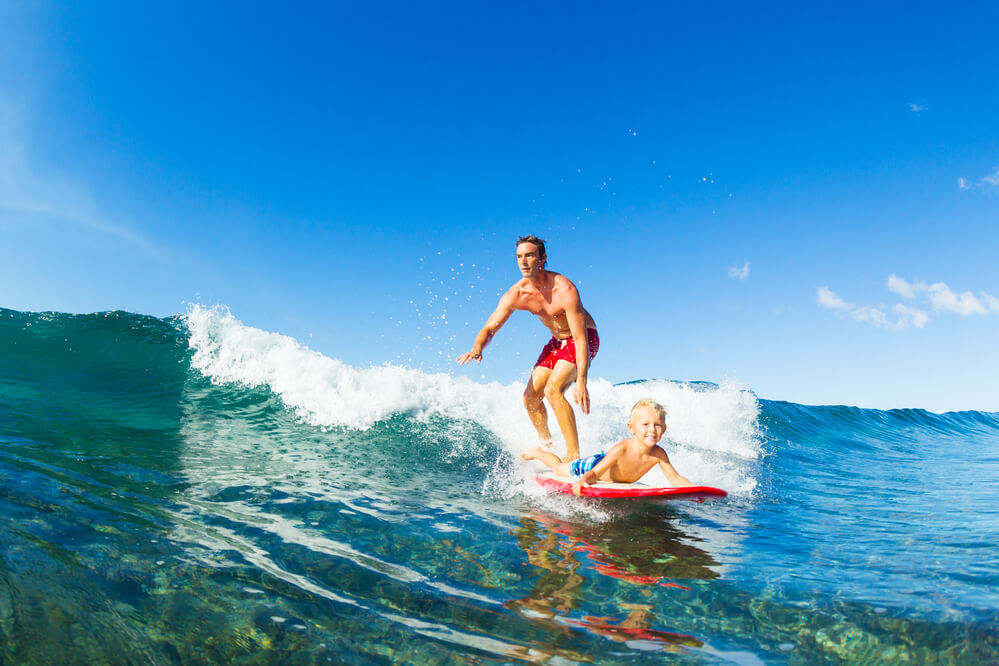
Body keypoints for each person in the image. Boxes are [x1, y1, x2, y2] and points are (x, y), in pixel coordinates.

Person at [456, 235, 598, 461]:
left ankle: (573, 456)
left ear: (543, 258)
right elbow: (490, 329)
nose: (523, 261)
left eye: (529, 255)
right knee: (530, 398)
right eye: (519, 257)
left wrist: (582, 380)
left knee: (553, 390)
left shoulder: (564, 289)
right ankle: (547, 446)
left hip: (583, 338)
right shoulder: (517, 293)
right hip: (557, 342)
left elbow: (580, 339)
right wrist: (477, 348)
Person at [521, 398, 695, 496]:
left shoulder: (659, 454)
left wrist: (695, 491)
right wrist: (582, 481)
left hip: (605, 473)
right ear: (631, 428)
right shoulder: (623, 448)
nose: (652, 430)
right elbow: (595, 473)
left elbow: (676, 479)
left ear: (664, 429)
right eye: (645, 424)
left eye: (657, 425)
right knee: (559, 469)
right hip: (592, 466)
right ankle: (538, 453)